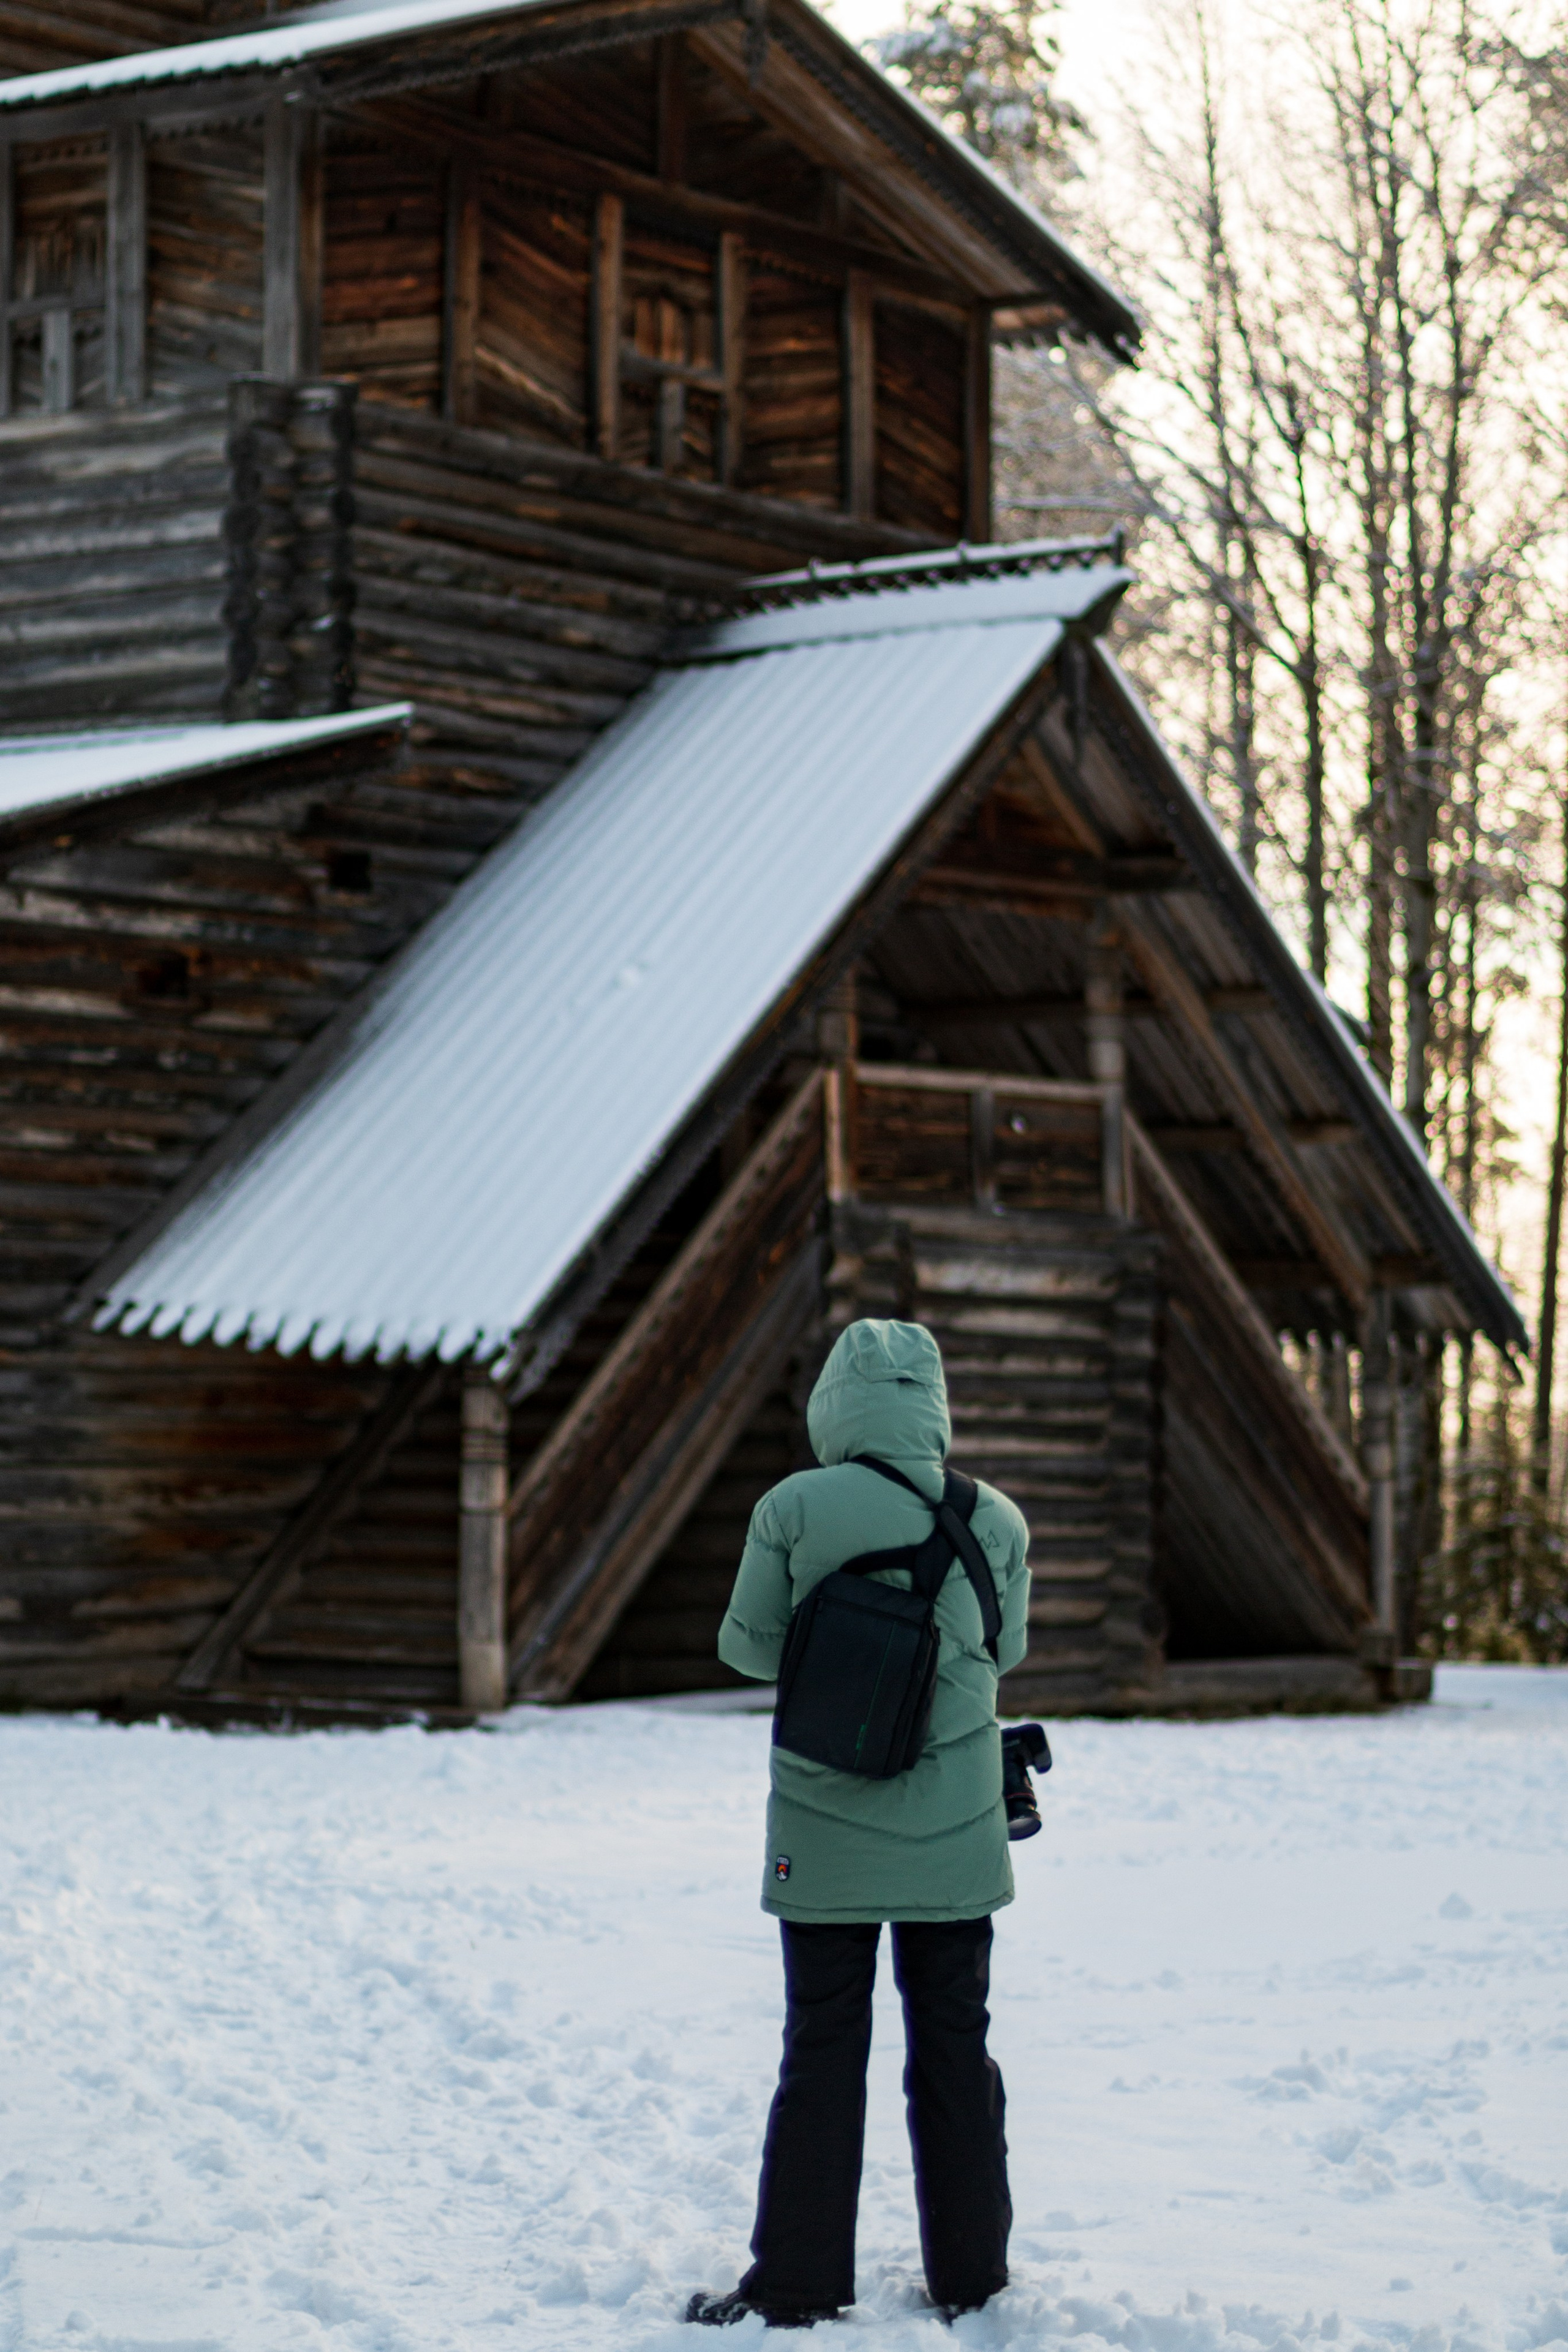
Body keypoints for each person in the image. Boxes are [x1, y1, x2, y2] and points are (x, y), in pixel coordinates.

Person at [685, 1317, 1031, 2331]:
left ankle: (793, 2284)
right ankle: (972, 2279)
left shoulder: (792, 1506)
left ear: (832, 1404)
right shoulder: (995, 1519)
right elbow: (1003, 1650)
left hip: (827, 1825)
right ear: (935, 1405)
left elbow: (746, 1649)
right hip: (959, 1832)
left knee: (823, 2044)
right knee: (956, 2047)